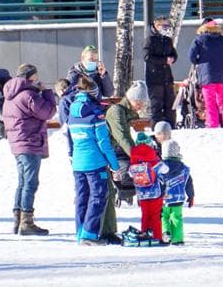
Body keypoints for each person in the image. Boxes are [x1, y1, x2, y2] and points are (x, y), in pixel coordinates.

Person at [2, 63, 58, 236]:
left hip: (17, 143)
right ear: (30, 77)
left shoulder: (10, 95)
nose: (38, 79)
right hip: (29, 142)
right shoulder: (28, 95)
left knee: (22, 182)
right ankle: (27, 222)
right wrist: (47, 92)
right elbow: (48, 112)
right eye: (36, 76)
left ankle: (17, 220)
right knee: (30, 183)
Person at [67, 75, 119, 246]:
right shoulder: (96, 115)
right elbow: (104, 144)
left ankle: (80, 232)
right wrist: (115, 165)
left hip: (78, 164)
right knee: (98, 197)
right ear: (94, 94)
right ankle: (89, 235)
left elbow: (69, 140)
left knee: (82, 197)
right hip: (95, 164)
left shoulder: (72, 113)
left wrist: (72, 157)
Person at [102, 80, 150, 243]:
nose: (141, 107)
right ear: (132, 99)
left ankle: (107, 231)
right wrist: (137, 158)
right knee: (105, 193)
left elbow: (127, 138)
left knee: (107, 192)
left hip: (106, 156)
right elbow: (122, 137)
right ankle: (103, 232)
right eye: (140, 102)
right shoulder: (116, 111)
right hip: (100, 156)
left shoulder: (123, 112)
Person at [189, 19, 223, 128]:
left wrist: (200, 61)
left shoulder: (199, 39)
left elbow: (191, 56)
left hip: (207, 77)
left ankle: (212, 125)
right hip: (222, 76)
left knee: (210, 102)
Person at [129, 133, 167, 241]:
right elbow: (165, 169)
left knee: (145, 215)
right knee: (155, 215)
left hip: (142, 194)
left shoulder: (134, 159)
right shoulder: (154, 158)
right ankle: (156, 237)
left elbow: (131, 173)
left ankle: (145, 236)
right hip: (155, 192)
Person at [143, 16, 178, 128]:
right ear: (157, 26)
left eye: (168, 26)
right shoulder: (150, 39)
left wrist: (172, 58)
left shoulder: (167, 40)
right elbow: (147, 57)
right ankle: (157, 130)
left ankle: (171, 127)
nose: (167, 28)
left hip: (167, 77)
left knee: (170, 105)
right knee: (157, 106)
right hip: (154, 78)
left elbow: (173, 53)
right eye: (164, 26)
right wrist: (164, 60)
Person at [160, 140, 194, 245]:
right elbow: (189, 183)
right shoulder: (184, 168)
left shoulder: (159, 168)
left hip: (163, 198)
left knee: (163, 216)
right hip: (178, 198)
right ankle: (177, 239)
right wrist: (191, 196)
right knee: (177, 218)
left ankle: (166, 232)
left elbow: (157, 182)